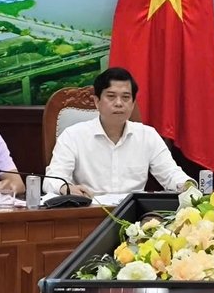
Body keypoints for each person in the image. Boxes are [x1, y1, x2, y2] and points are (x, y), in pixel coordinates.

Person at [44, 67, 194, 196]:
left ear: (133, 103)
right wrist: (66, 188)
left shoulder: (147, 135)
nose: (118, 103)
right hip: (87, 213)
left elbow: (170, 174)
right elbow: (52, 180)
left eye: (126, 97)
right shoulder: (73, 136)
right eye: (111, 96)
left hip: (135, 218)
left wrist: (187, 185)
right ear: (97, 102)